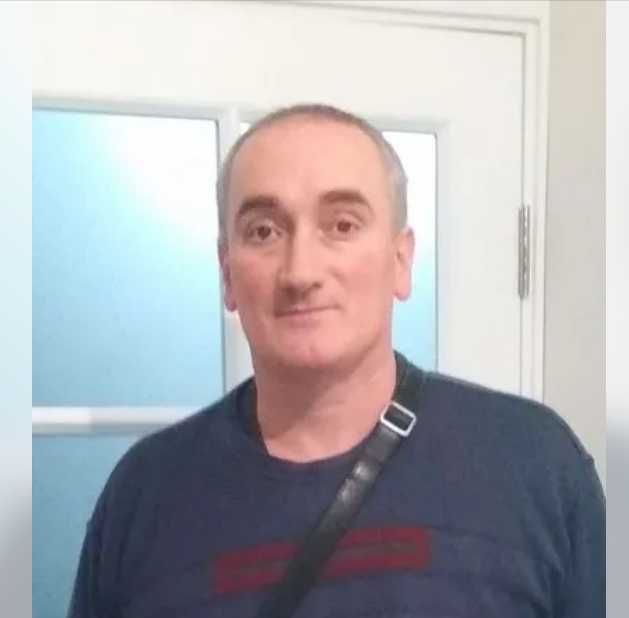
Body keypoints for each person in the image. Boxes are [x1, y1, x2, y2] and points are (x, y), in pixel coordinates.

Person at [68, 104, 605, 618]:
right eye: (264, 231)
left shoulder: (534, 464)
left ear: (400, 260)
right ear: (227, 274)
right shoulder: (145, 496)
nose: (301, 272)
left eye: (342, 225)